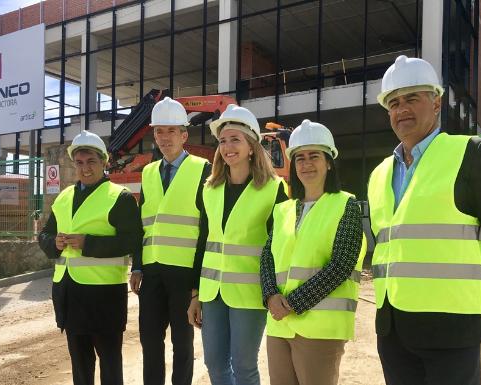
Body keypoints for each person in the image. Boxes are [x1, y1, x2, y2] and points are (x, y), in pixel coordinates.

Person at [368, 55, 481, 385]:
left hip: (453, 328)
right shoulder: (379, 174)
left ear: (436, 102)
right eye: (394, 102)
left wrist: (477, 299)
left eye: (412, 98)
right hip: (392, 328)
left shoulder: (472, 153)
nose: (402, 109)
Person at [260, 119, 366, 385]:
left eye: (314, 156)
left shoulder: (346, 205)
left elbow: (342, 264)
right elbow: (267, 256)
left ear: (329, 162)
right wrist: (270, 295)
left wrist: (292, 303)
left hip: (320, 327)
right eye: (300, 158)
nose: (306, 164)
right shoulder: (283, 209)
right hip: (279, 324)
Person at [187, 104, 287, 385]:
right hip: (212, 292)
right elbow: (203, 243)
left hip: (250, 293)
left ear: (252, 145)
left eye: (235, 139)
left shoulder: (273, 189)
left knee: (244, 366)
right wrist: (195, 294)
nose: (228, 147)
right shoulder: (209, 188)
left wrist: (273, 291)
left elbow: (277, 247)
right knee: (215, 364)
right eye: (222, 141)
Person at [38, 130, 142, 385]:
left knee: (110, 367)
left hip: (104, 297)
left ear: (104, 162)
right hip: (70, 295)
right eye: (80, 162)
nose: (85, 168)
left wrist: (89, 243)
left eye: (91, 162)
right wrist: (56, 243)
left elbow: (132, 240)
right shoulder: (63, 198)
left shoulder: (120, 197)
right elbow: (44, 235)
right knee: (80, 369)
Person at [129, 96, 211, 385]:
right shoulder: (149, 172)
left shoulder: (204, 170)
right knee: (150, 341)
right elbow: (141, 226)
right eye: (159, 131)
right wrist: (137, 265)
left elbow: (207, 230)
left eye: (171, 131)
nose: (164, 138)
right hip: (151, 272)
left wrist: (197, 283)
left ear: (184, 135)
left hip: (184, 272)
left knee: (182, 344)